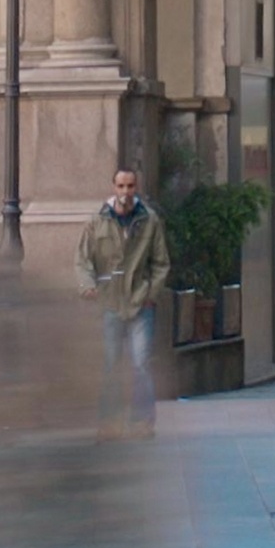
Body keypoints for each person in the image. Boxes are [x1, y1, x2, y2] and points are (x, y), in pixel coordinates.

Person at [77, 163, 172, 436]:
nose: (126, 191)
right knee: (110, 365)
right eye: (121, 186)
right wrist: (87, 286)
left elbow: (161, 262)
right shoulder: (97, 221)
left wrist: (151, 295)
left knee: (141, 364)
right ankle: (109, 423)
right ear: (113, 187)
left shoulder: (149, 220)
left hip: (140, 302)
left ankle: (142, 422)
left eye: (130, 186)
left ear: (136, 188)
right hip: (109, 304)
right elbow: (83, 260)